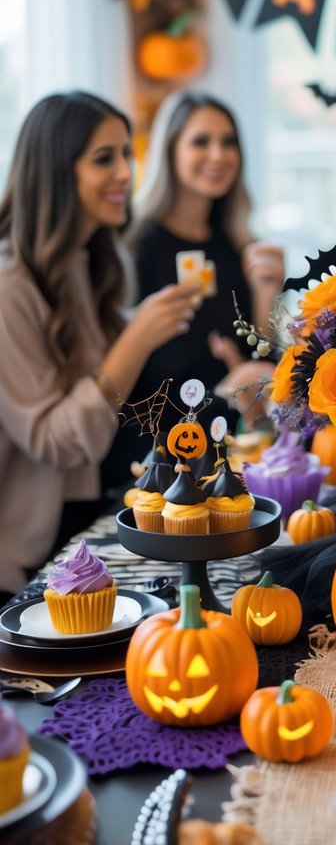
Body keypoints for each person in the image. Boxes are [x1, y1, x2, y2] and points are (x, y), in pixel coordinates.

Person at [0, 92, 200, 597]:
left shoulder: (86, 264)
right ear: (55, 171)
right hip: (22, 559)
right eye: (103, 158)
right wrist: (137, 337)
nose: (124, 174)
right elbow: (57, 440)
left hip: (77, 532)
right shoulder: (10, 285)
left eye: (126, 154)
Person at [125, 91, 284, 485]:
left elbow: (259, 374)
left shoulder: (239, 245)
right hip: (154, 467)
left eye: (228, 142)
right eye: (201, 141)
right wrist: (225, 390)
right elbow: (128, 390)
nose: (218, 155)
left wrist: (268, 294)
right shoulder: (134, 247)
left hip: (230, 463)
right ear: (170, 150)